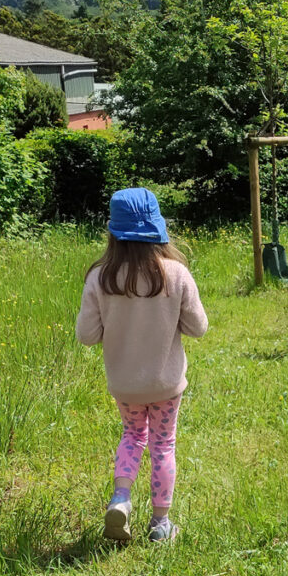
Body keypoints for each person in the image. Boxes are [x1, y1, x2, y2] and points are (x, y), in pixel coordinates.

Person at [76, 188, 208, 543]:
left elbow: (87, 335)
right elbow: (199, 327)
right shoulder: (176, 274)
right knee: (163, 444)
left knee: (133, 436)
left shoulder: (101, 278)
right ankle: (160, 524)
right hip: (165, 384)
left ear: (113, 232)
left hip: (125, 385)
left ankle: (120, 499)